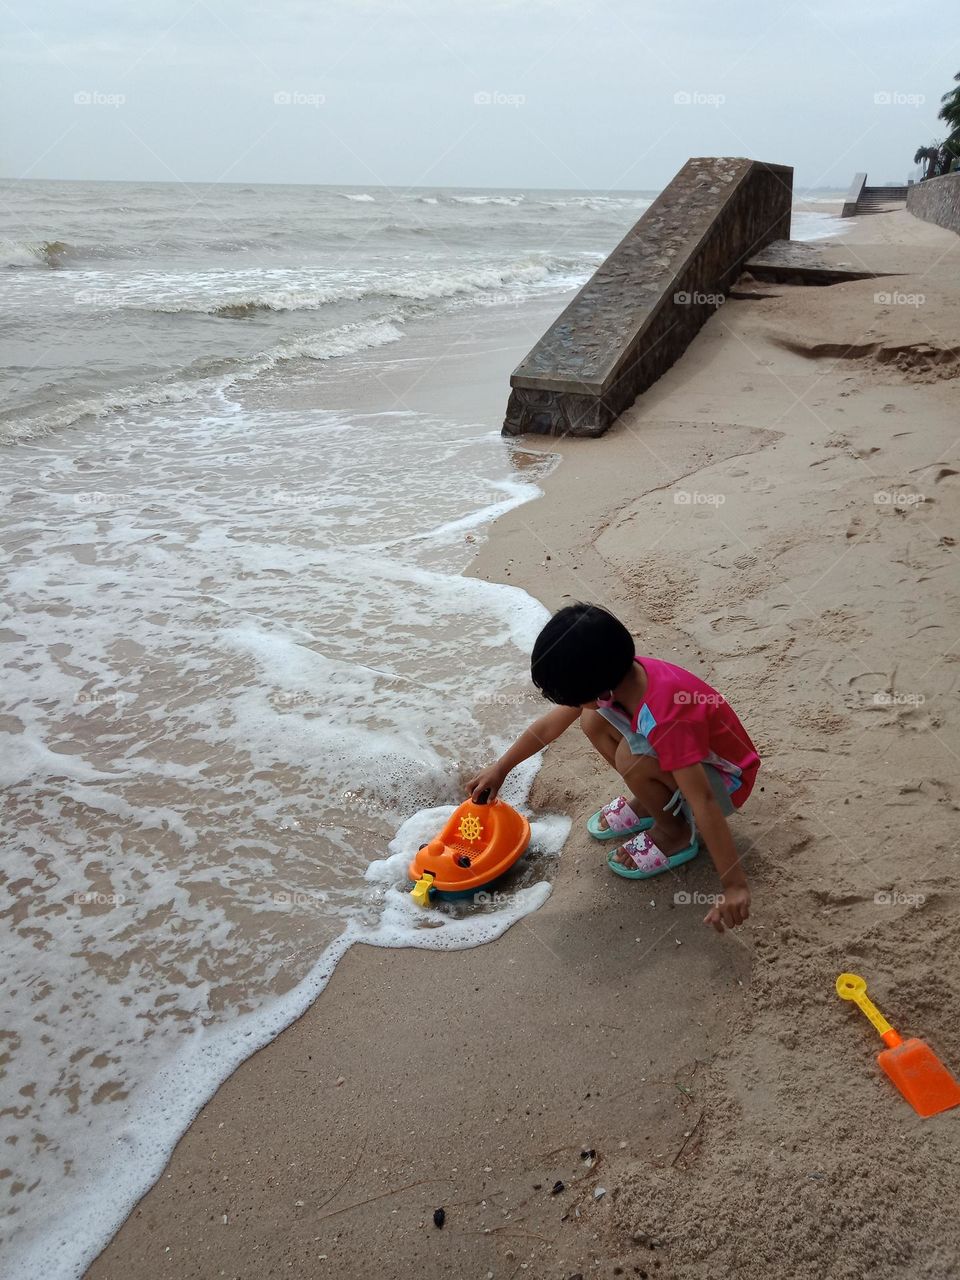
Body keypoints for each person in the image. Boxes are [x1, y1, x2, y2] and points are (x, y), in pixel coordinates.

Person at [466, 603, 760, 932]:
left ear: (601, 690)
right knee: (592, 719)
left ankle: (674, 832)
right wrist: (502, 767)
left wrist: (734, 885)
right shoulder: (620, 677)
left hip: (726, 783)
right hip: (691, 760)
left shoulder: (667, 716)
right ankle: (654, 802)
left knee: (631, 758)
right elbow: (550, 726)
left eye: (574, 698)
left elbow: (703, 799)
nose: (570, 705)